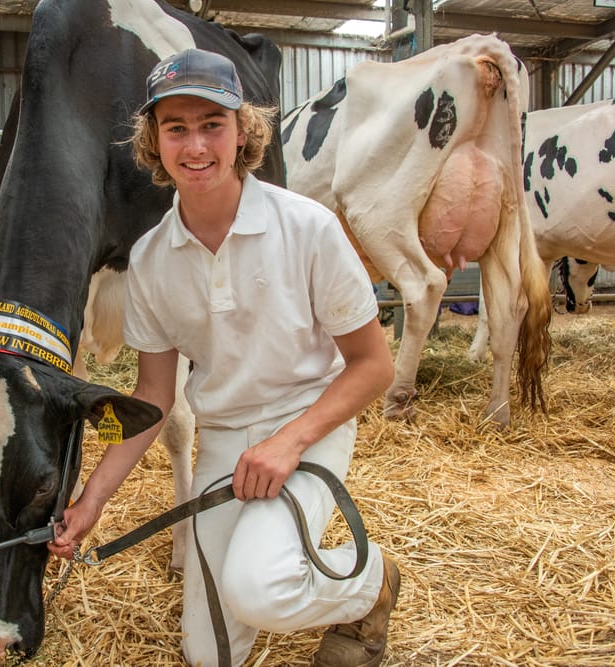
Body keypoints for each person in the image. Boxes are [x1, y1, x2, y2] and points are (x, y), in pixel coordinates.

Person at [49, 47, 399, 667]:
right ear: (153, 142)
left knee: (258, 588)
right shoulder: (151, 259)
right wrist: (92, 500)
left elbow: (374, 366)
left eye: (213, 124)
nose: (196, 146)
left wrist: (290, 441)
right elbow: (154, 399)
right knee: (207, 654)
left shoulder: (309, 228)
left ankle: (371, 582)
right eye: (175, 128)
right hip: (224, 446)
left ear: (244, 133)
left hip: (309, 429)